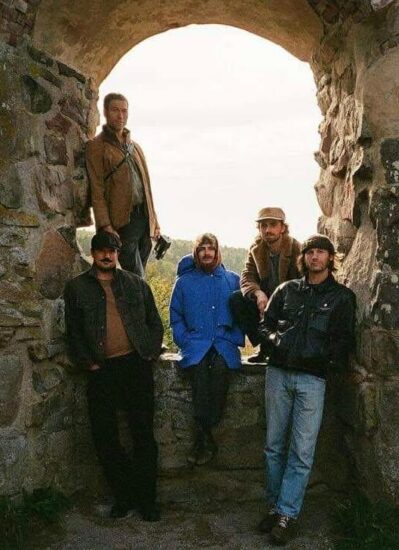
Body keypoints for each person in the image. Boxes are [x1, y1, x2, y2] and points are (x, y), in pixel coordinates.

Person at [257, 234, 356, 544]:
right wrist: (275, 344)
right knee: (273, 446)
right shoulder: (287, 290)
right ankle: (274, 507)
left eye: (321, 252)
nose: (315, 257)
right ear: (303, 258)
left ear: (330, 258)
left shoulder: (342, 297)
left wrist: (324, 362)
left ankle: (287, 514)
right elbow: (265, 325)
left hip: (313, 380)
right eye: (310, 252)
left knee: (301, 451)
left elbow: (344, 340)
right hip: (279, 374)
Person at [64, 231, 163, 521]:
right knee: (105, 437)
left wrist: (149, 352)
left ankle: (147, 501)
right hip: (101, 369)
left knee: (143, 435)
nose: (107, 255)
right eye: (101, 250)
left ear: (118, 253)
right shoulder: (77, 288)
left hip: (135, 366)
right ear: (93, 253)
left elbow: (154, 322)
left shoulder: (136, 284)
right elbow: (73, 331)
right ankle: (124, 496)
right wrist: (88, 363)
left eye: (112, 250)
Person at [169, 233, 244, 465]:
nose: (207, 253)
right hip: (196, 345)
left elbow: (242, 315)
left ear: (217, 251)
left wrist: (233, 338)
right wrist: (184, 340)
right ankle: (205, 438)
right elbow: (176, 316)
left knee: (221, 372)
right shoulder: (184, 282)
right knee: (200, 376)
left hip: (223, 344)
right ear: (196, 253)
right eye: (202, 248)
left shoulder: (232, 280)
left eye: (211, 248)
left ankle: (203, 434)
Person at [86, 93, 160, 278]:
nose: (120, 116)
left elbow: (146, 187)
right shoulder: (97, 147)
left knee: (137, 275)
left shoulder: (135, 147)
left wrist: (155, 221)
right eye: (115, 110)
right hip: (123, 221)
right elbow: (97, 190)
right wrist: (105, 225)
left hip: (144, 219)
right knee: (135, 276)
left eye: (124, 111)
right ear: (105, 112)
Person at [229, 207, 301, 363]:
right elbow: (247, 275)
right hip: (265, 301)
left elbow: (303, 280)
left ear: (282, 227)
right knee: (237, 299)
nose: (268, 230)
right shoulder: (256, 250)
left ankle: (282, 348)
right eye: (263, 225)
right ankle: (265, 345)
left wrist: (281, 299)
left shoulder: (295, 248)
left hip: (289, 301)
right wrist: (258, 293)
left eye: (273, 224)